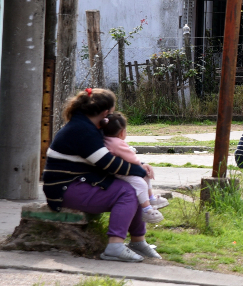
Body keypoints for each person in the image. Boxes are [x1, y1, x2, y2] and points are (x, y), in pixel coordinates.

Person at [43, 88, 160, 262]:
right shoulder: (83, 131)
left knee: (132, 188)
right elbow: (109, 164)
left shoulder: (85, 125)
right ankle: (115, 246)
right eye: (111, 114)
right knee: (126, 192)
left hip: (76, 183)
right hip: (65, 190)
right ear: (105, 113)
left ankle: (138, 241)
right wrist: (140, 171)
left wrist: (140, 167)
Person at [102, 113, 166, 224]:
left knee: (144, 175)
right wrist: (140, 163)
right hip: (120, 172)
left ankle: (151, 197)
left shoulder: (107, 140)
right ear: (122, 132)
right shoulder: (117, 143)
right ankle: (147, 209)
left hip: (117, 168)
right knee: (140, 183)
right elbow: (131, 158)